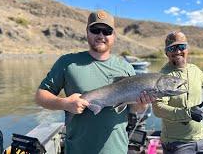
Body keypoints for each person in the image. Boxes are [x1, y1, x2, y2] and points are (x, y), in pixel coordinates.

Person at [35, 10, 155, 154]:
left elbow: (135, 110)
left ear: (114, 35)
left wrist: (142, 104)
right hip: (77, 150)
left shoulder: (126, 67)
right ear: (87, 31)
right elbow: (40, 96)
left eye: (107, 31)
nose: (101, 35)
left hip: (117, 150)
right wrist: (65, 103)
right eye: (95, 30)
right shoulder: (67, 63)